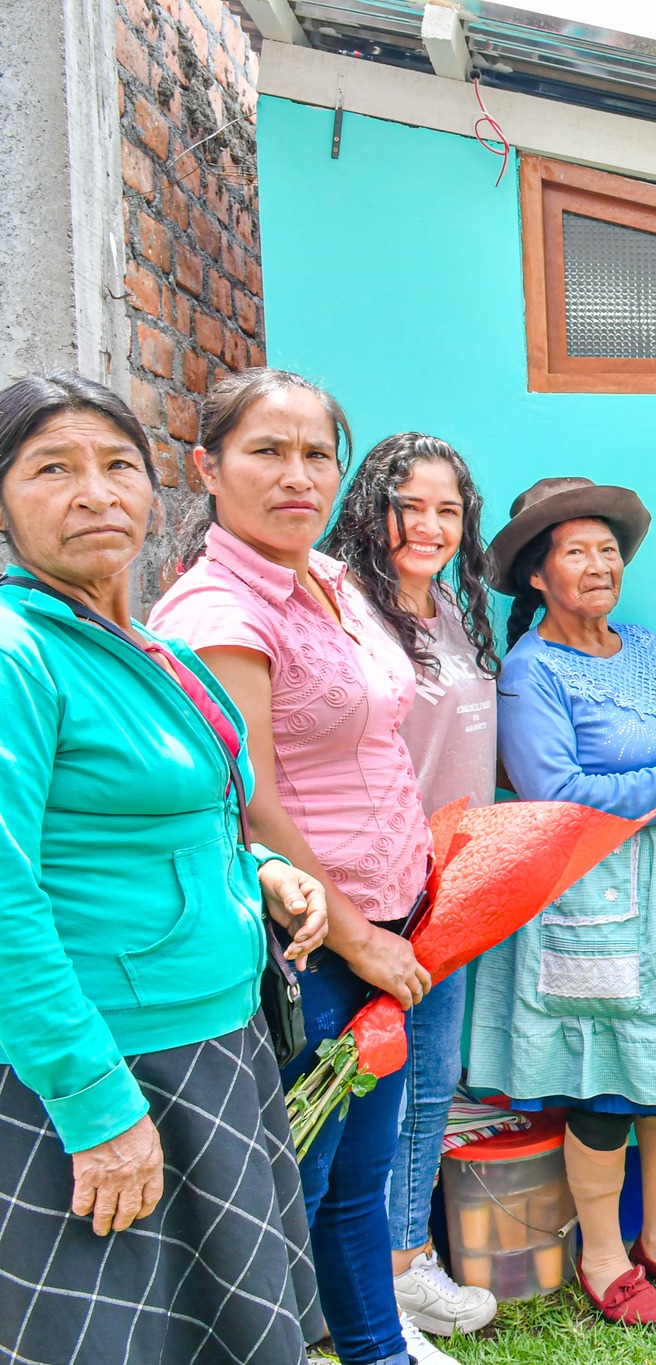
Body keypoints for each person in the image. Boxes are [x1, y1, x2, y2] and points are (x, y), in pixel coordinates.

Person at [0, 373, 327, 1364]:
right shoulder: (19, 654)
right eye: (52, 468)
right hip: (106, 1059)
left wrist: (262, 866)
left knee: (218, 1331)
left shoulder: (148, 651)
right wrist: (97, 1107)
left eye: (116, 467)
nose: (95, 493)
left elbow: (190, 814)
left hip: (211, 1042)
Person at [150, 369, 436, 1365]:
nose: (296, 474)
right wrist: (357, 940)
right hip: (306, 947)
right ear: (207, 467)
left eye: (316, 453)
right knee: (296, 1189)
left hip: (392, 923)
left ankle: (375, 1352)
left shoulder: (336, 580)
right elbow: (251, 798)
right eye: (265, 451)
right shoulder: (216, 607)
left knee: (360, 1181)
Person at [472, 477, 656, 1327]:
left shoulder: (646, 645)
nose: (599, 563)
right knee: (605, 1076)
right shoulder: (532, 671)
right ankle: (601, 1254)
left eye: (608, 548)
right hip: (596, 894)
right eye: (577, 549)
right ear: (538, 573)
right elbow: (555, 791)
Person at [322, 433, 502, 1350]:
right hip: (384, 886)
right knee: (375, 1091)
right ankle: (372, 1291)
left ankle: (404, 1258)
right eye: (410, 506)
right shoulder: (347, 610)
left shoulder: (457, 613)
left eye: (447, 509)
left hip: (457, 885)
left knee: (434, 1081)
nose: (428, 525)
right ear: (371, 508)